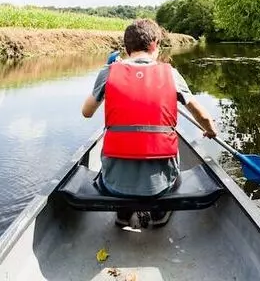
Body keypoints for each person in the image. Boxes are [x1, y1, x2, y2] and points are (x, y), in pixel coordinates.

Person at [80, 18, 219, 228]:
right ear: (155, 44)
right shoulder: (171, 74)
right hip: (161, 187)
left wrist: (108, 77)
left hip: (113, 186)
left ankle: (123, 214)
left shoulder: (109, 72)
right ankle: (159, 214)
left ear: (126, 48)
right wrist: (210, 130)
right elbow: (204, 116)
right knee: (171, 169)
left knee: (115, 166)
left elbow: (86, 112)